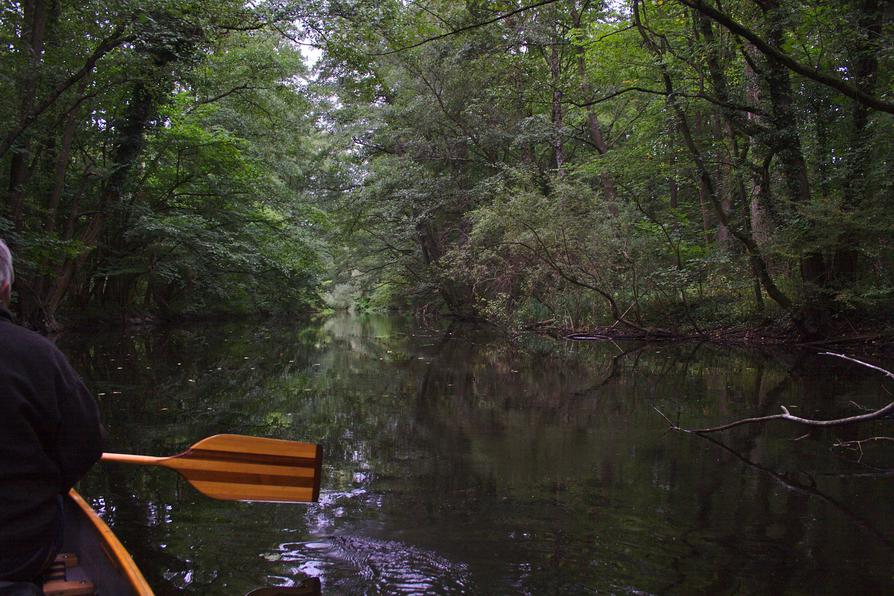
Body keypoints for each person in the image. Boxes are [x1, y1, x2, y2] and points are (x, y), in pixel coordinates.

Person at [0, 239, 106, 588]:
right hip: (17, 551)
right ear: (5, 287)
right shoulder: (38, 356)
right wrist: (47, 484)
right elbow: (86, 444)